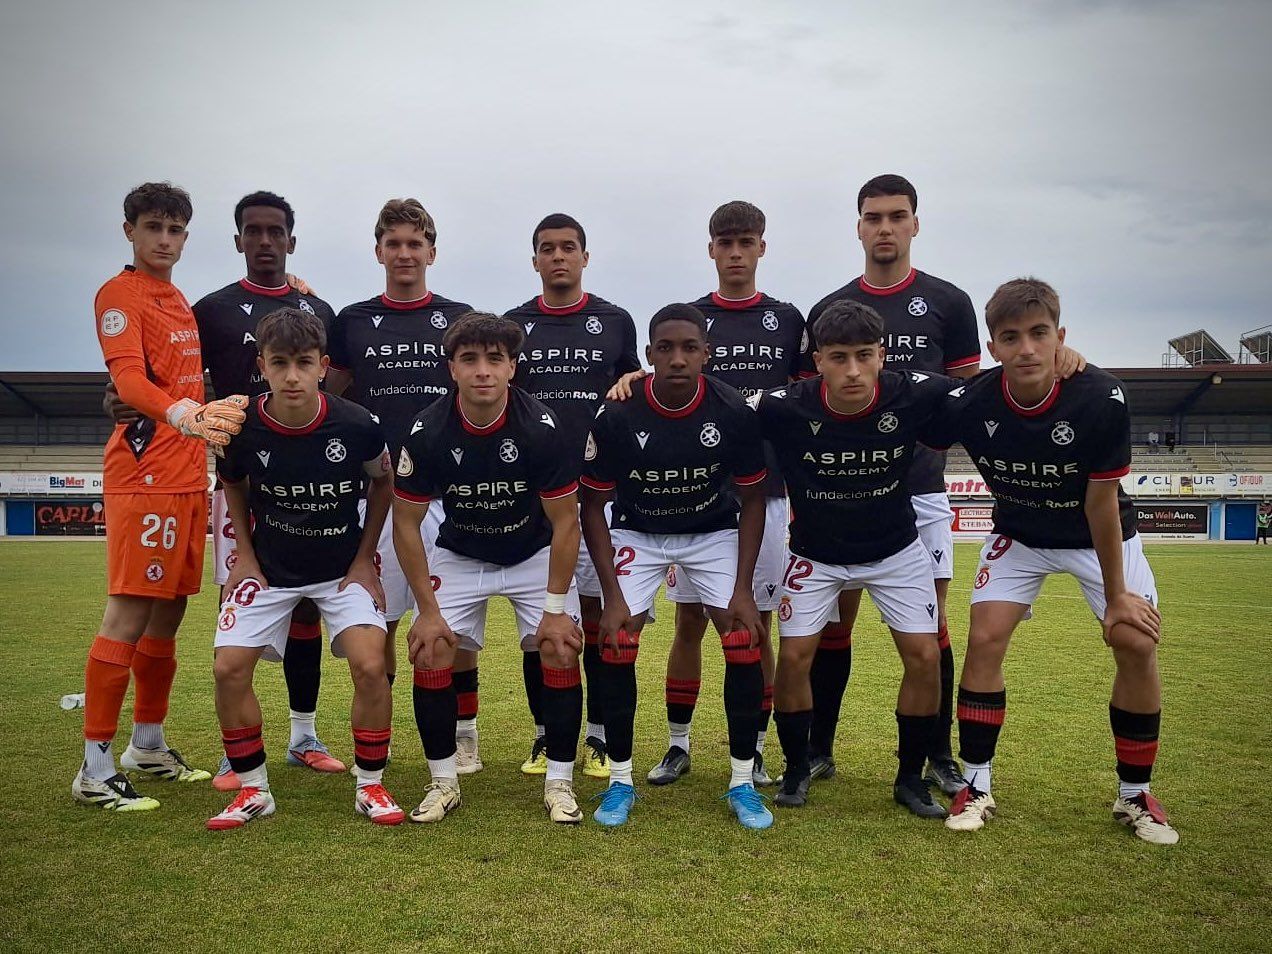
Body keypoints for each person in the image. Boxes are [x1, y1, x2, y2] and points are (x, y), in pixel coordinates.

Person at [925, 277, 1176, 845]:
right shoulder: (972, 402)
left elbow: (1101, 501)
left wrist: (1117, 597)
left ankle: (1135, 794)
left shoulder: (1100, 396)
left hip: (1099, 536)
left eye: (1040, 334)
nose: (1027, 349)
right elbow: (907, 400)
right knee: (985, 637)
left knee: (1135, 641)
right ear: (992, 348)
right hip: (1020, 534)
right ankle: (977, 783)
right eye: (1011, 338)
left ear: (1060, 337)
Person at [607, 201, 813, 788]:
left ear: (762, 247)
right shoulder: (689, 318)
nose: (736, 252)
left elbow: (805, 394)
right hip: (689, 496)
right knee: (689, 620)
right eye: (725, 242)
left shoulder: (786, 317)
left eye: (746, 242)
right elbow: (657, 377)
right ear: (711, 249)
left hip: (760, 491)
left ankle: (756, 746)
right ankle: (678, 744)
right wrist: (631, 380)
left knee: (754, 623)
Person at [802, 174, 982, 795]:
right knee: (833, 624)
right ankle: (818, 747)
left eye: (896, 216)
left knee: (931, 632)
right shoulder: (829, 308)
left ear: (914, 224)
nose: (885, 227)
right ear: (858, 226)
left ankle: (938, 754)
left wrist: (925, 449)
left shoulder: (949, 303)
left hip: (922, 492)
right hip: (841, 491)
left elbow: (964, 397)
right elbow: (811, 402)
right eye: (873, 217)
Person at [74, 182, 247, 811]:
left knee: (168, 612)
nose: (164, 240)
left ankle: (146, 743)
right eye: (153, 228)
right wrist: (182, 412)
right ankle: (94, 766)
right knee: (127, 611)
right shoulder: (119, 294)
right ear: (130, 231)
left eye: (175, 231)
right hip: (144, 471)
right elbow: (125, 378)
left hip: (184, 475)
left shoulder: (175, 297)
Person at [207, 308, 404, 829]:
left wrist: (365, 560)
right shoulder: (242, 426)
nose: (292, 376)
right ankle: (253, 790)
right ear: (262, 366)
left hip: (341, 570)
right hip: (269, 569)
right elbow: (234, 484)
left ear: (322, 366)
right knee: (228, 668)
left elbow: (383, 484)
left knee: (369, 662)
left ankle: (371, 785)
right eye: (280, 364)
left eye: (303, 363)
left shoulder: (357, 424)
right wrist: (244, 557)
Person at [755, 300, 950, 819]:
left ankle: (910, 778)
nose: (853, 371)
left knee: (925, 657)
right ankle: (797, 767)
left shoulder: (914, 393)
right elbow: (717, 406)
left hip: (895, 552)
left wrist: (1065, 359)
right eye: (839, 357)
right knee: (795, 658)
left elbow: (990, 392)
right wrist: (639, 381)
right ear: (817, 359)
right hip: (815, 556)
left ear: (882, 354)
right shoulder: (784, 404)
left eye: (865, 355)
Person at [580, 303, 772, 829]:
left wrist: (743, 589)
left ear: (706, 354)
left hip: (711, 533)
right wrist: (613, 596)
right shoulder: (618, 413)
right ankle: (620, 781)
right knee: (618, 641)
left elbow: (754, 501)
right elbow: (592, 506)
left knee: (742, 636)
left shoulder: (732, 410)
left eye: (690, 347)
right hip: (639, 534)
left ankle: (740, 781)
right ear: (648, 356)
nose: (678, 358)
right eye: (665, 348)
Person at [393, 313, 586, 825]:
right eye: (470, 360)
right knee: (430, 646)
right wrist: (428, 612)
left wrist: (554, 610)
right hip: (461, 553)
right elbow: (407, 525)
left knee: (561, 645)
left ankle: (560, 783)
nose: (483, 371)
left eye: (494, 360)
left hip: (532, 553)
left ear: (512, 368)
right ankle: (443, 781)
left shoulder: (542, 428)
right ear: (451, 368)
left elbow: (567, 524)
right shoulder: (427, 429)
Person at [324, 199, 478, 766]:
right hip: (384, 490)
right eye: (394, 243)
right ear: (378, 251)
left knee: (452, 623)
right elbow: (328, 392)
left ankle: (464, 738)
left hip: (449, 489)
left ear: (432, 252)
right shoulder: (354, 320)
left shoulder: (458, 317)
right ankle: (380, 743)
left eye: (415, 243)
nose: (405, 253)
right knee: (382, 619)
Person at [504, 213, 641, 779]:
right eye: (546, 249)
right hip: (539, 499)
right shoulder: (513, 325)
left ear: (586, 256)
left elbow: (634, 388)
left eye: (568, 248)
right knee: (544, 625)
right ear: (534, 260)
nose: (558, 257)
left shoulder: (614, 321)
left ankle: (602, 737)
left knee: (600, 616)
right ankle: (546, 733)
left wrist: (629, 383)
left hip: (602, 497)